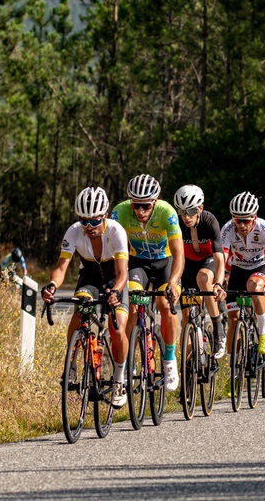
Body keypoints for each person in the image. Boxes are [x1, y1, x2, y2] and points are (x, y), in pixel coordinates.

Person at [41, 187, 130, 407]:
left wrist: (116, 292)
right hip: (89, 277)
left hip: (114, 279)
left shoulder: (116, 231)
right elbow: (61, 268)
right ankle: (71, 362)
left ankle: (119, 378)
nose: (89, 227)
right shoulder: (73, 232)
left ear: (105, 215)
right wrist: (52, 286)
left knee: (118, 329)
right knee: (79, 309)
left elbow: (122, 274)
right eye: (84, 221)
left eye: (95, 221)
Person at [111, 174, 185, 392]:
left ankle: (169, 360)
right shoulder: (120, 212)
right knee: (133, 304)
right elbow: (111, 247)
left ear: (155, 201)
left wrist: (174, 282)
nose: (140, 211)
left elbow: (179, 253)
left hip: (165, 262)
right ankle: (128, 363)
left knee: (165, 305)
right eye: (136, 205)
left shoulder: (167, 212)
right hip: (137, 262)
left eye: (146, 206)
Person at [173, 184, 229, 359]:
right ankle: (188, 366)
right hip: (188, 264)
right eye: (182, 212)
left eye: (190, 211)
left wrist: (218, 283)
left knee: (203, 278)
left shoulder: (209, 221)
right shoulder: (177, 224)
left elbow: (219, 258)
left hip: (208, 261)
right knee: (187, 317)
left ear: (200, 208)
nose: (186, 217)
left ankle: (218, 328)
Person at [221, 191, 265, 355]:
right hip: (238, 269)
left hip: (259, 267)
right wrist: (218, 281)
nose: (241, 225)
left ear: (254, 217)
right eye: (237, 220)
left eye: (245, 221)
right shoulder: (227, 229)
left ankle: (264, 332)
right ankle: (232, 364)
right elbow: (221, 259)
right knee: (233, 320)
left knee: (254, 285)